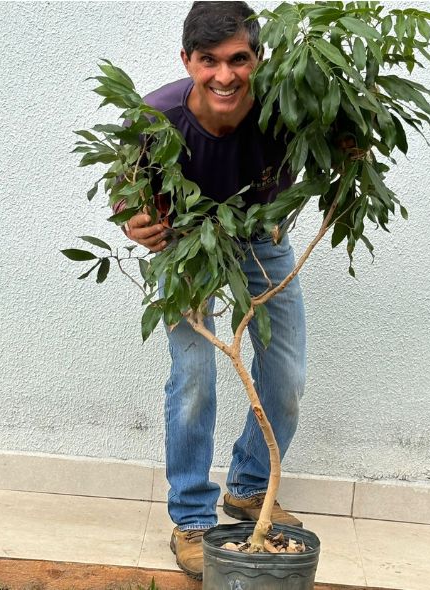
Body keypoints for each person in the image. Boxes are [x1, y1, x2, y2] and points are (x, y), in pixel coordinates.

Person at [118, 2, 305, 579]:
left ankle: (248, 490)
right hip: (187, 243)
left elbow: (338, 142)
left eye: (239, 60)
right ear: (187, 61)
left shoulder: (288, 108)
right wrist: (135, 219)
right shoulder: (155, 116)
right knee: (194, 377)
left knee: (287, 376)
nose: (225, 75)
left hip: (260, 239)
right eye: (209, 61)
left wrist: (353, 152)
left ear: (258, 58)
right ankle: (193, 520)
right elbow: (127, 194)